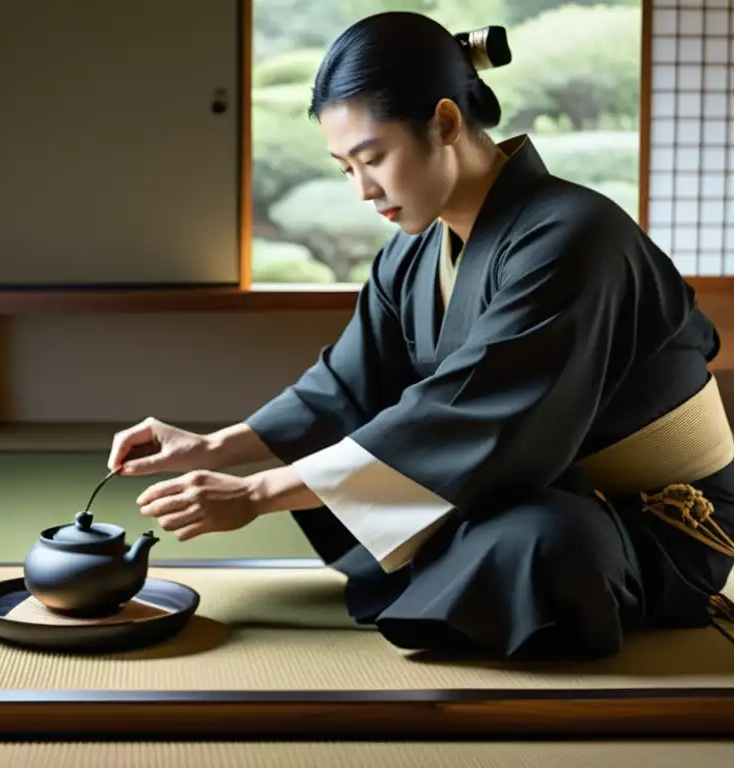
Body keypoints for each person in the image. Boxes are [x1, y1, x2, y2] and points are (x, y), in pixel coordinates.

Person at [107, 12, 734, 659]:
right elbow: (348, 384)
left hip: (660, 519)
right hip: (537, 477)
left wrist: (257, 493)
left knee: (544, 546)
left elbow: (477, 418)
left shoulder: (575, 236)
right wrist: (216, 445)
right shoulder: (413, 253)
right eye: (345, 168)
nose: (361, 190)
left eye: (373, 158)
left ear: (445, 123)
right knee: (388, 487)